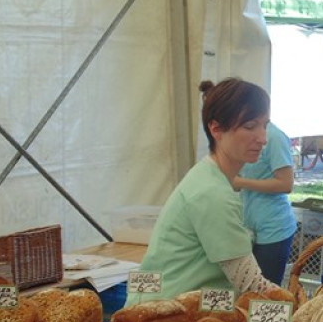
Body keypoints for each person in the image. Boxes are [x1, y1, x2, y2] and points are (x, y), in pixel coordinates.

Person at [126, 78, 280, 304]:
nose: (263, 138)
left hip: (184, 305)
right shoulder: (211, 192)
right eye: (250, 126)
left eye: (265, 125)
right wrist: (298, 314)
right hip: (161, 318)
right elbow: (250, 285)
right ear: (216, 129)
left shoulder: (209, 177)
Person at [234, 120, 296, 285]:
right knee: (245, 288)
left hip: (273, 228)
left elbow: (286, 184)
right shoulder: (241, 135)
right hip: (246, 226)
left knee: (265, 293)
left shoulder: (275, 137)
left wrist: (241, 182)